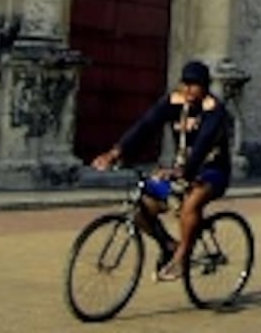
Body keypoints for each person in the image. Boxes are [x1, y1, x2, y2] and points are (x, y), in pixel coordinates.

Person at [91, 60, 232, 282]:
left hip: (212, 171)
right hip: (181, 170)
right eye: (185, 84)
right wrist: (116, 152)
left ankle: (181, 259)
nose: (189, 90)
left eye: (195, 85)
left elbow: (204, 143)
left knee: (190, 205)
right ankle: (169, 245)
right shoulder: (174, 102)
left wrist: (183, 172)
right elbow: (145, 126)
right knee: (140, 208)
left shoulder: (214, 111)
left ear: (205, 87)